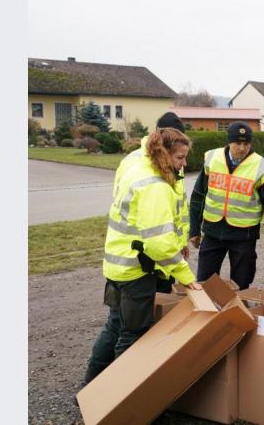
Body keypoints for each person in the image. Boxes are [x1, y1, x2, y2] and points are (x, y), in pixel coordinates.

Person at [85, 128, 202, 384]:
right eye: (180, 158)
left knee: (115, 325)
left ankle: (91, 386)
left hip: (117, 262)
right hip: (136, 270)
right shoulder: (155, 186)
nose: (184, 164)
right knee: (132, 335)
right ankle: (123, 397)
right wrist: (184, 274)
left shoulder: (135, 161)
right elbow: (158, 244)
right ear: (164, 152)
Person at [189, 121, 264, 290]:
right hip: (213, 231)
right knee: (204, 282)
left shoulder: (262, 167)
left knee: (241, 285)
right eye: (237, 143)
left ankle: (238, 315)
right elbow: (198, 196)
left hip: (243, 235)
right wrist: (194, 229)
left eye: (246, 143)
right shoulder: (212, 158)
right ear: (229, 142)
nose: (242, 148)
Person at [113, 111, 190, 292]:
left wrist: (180, 242)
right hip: (143, 253)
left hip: (165, 248)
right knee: (143, 311)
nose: (183, 162)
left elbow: (177, 207)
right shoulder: (138, 164)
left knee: (158, 305)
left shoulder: (174, 162)